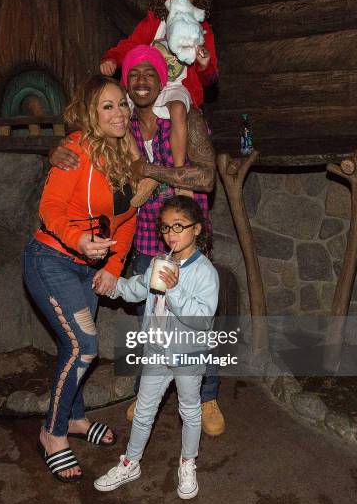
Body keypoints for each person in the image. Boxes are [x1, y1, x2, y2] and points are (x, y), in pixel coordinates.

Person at [50, 47, 225, 437]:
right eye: (134, 74)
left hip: (187, 241)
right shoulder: (120, 127)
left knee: (195, 320)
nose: (142, 80)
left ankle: (206, 393)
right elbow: (84, 145)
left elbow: (208, 178)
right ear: (126, 85)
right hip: (145, 239)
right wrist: (57, 150)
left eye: (151, 73)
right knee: (154, 322)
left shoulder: (186, 120)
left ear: (163, 79)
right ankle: (151, 388)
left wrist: (149, 169)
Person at [22, 75, 137, 483]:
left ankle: (75, 420)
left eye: (122, 103)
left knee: (74, 348)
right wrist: (76, 238)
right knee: (84, 345)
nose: (119, 112)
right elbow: (50, 206)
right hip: (50, 259)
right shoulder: (74, 150)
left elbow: (128, 218)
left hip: (89, 268)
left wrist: (113, 265)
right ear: (91, 112)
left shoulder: (127, 154)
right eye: (108, 106)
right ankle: (51, 433)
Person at [94, 195, 219, 499]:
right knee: (144, 409)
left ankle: (188, 462)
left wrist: (174, 290)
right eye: (165, 228)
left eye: (179, 226)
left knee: (189, 411)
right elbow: (137, 289)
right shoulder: (157, 262)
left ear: (197, 229)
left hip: (187, 355)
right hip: (157, 350)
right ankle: (131, 462)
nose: (171, 234)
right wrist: (112, 286)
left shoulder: (205, 272)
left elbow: (202, 320)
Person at [100, 0, 218, 204]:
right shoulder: (155, 22)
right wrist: (112, 58)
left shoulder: (202, 29)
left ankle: (177, 176)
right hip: (149, 89)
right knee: (121, 114)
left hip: (178, 88)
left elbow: (211, 79)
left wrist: (204, 64)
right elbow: (129, 45)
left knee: (177, 110)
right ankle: (141, 170)